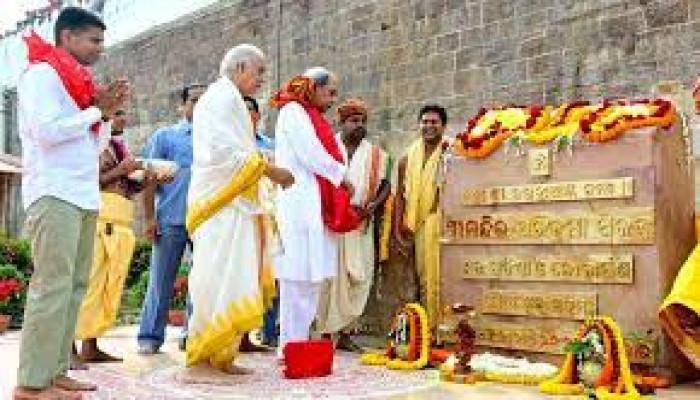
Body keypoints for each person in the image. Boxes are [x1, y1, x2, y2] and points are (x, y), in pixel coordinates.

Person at [14, 7, 128, 400]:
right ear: (67, 37)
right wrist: (96, 109)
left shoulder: (75, 83)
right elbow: (46, 133)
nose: (100, 49)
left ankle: (56, 371)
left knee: (74, 288)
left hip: (82, 193)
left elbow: (91, 147)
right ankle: (30, 383)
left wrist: (106, 117)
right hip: (53, 192)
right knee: (52, 287)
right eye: (94, 40)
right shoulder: (42, 75)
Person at [185, 44, 294, 374]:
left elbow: (239, 152)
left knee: (231, 278)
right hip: (220, 202)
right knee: (215, 278)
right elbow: (225, 155)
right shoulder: (221, 98)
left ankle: (222, 355)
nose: (262, 79)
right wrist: (273, 171)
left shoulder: (229, 99)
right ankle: (202, 356)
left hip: (236, 203)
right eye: (259, 71)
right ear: (240, 66)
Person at [272, 68, 360, 356]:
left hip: (313, 205)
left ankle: (297, 345)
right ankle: (290, 347)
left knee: (310, 278)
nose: (334, 100)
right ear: (312, 88)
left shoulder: (310, 115)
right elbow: (309, 153)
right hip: (298, 205)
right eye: (330, 92)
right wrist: (340, 174)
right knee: (296, 278)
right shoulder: (293, 112)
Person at [73, 109, 161, 365]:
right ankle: (68, 351)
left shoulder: (115, 145)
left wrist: (147, 182)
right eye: (120, 113)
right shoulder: (88, 142)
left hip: (120, 218)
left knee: (108, 287)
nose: (125, 118)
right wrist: (121, 169)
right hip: (99, 218)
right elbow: (86, 180)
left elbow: (123, 187)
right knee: (88, 283)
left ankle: (91, 345)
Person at [316, 98, 391, 352]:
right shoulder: (328, 149)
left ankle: (347, 333)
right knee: (330, 278)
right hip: (332, 223)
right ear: (341, 122)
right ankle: (326, 333)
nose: (358, 126)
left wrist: (374, 205)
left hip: (359, 223)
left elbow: (386, 184)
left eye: (362, 121)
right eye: (353, 121)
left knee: (359, 278)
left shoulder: (376, 154)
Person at [137, 84, 204, 354]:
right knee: (160, 281)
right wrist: (150, 218)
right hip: (171, 219)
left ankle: (192, 336)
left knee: (202, 282)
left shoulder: (216, 139)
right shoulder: (166, 137)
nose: (200, 106)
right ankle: (150, 338)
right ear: (183, 105)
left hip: (206, 222)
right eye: (195, 101)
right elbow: (149, 178)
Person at [394, 104, 447, 330]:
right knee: (414, 281)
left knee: (436, 280)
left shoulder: (450, 153)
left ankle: (437, 329)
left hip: (439, 225)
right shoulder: (407, 158)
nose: (429, 126)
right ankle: (419, 330)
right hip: (412, 226)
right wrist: (398, 228)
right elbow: (400, 196)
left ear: (443, 126)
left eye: (434, 122)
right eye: (425, 122)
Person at [243, 95, 279, 350]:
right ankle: (237, 336)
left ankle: (264, 334)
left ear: (257, 116)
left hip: (266, 215)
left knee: (265, 276)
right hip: (238, 217)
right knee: (240, 275)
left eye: (250, 112)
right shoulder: (229, 143)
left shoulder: (268, 145)